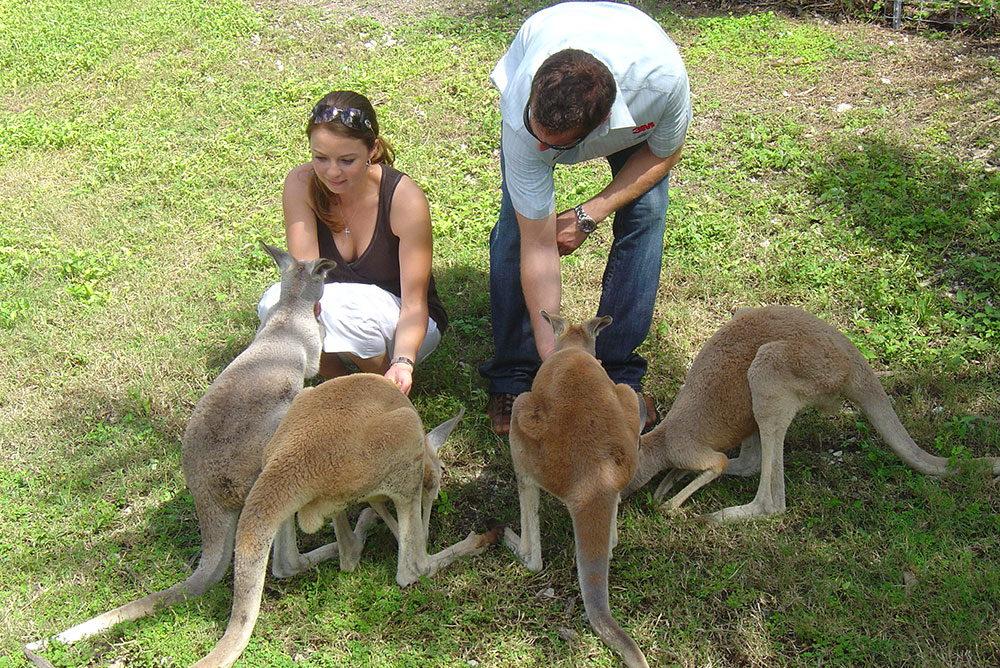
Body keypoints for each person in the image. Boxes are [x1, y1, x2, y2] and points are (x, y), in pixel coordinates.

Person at [478, 1, 692, 435]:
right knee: (516, 235)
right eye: (535, 130)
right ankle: (516, 375)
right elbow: (539, 244)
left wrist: (588, 214)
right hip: (553, 38)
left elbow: (665, 151)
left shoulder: (662, 85)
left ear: (599, 132)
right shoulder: (525, 116)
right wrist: (555, 353)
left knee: (646, 212)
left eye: (554, 145)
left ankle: (618, 374)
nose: (541, 149)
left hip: (638, 102)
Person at [257, 90, 447, 396]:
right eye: (320, 158)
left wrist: (402, 361)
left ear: (372, 149)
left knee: (342, 314)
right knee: (276, 303)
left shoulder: (403, 198)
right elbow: (306, 283)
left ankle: (386, 389)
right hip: (340, 319)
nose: (332, 172)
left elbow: (414, 303)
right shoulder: (301, 184)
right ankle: (341, 389)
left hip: (404, 327)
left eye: (347, 160)